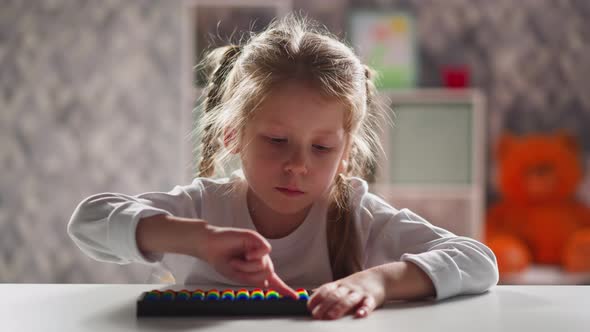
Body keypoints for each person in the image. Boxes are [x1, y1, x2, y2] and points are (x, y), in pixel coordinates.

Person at [67, 14, 498, 320]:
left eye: (323, 148)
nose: (297, 165)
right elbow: (88, 222)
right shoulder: (204, 208)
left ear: (346, 152)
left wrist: (377, 283)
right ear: (232, 133)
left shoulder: (358, 215)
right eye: (277, 141)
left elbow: (478, 261)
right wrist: (192, 239)